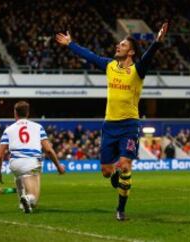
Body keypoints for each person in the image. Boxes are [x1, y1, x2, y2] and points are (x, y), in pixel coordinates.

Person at [56, 22, 168, 220]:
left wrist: (157, 42)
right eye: (119, 44)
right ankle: (116, 175)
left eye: (123, 45)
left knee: (125, 165)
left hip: (129, 125)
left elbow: (149, 57)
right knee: (107, 172)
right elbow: (90, 56)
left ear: (131, 52)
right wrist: (71, 43)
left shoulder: (138, 70)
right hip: (109, 125)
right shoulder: (109, 66)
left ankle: (121, 209)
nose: (118, 46)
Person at [0, 101, 65, 213]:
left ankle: (22, 202)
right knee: (34, 199)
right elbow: (48, 150)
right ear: (27, 113)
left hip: (15, 163)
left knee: (19, 175)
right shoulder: (38, 127)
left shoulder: (8, 130)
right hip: (32, 163)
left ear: (15, 113)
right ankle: (28, 199)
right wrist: (58, 166)